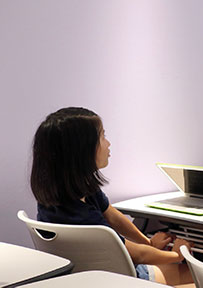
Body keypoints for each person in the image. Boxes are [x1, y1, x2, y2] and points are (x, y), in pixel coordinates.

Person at [30, 107, 194, 285]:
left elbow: (112, 215)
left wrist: (148, 242)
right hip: (118, 278)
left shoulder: (62, 196)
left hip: (90, 276)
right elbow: (137, 254)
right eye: (102, 136)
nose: (108, 143)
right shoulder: (83, 218)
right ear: (81, 152)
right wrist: (177, 254)